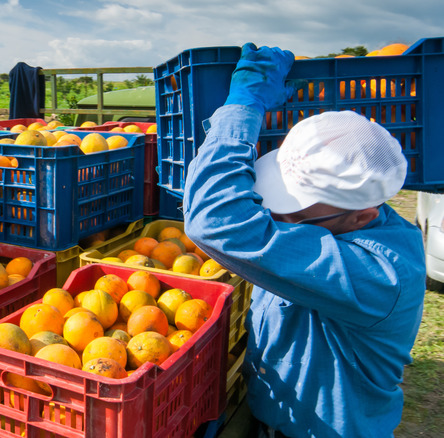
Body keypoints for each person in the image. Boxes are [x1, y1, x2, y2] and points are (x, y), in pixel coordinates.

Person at [182, 43, 426, 438]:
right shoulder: (345, 220)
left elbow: (214, 221)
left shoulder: (378, 275)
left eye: (294, 213)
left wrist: (243, 107)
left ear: (362, 215)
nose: (275, 216)